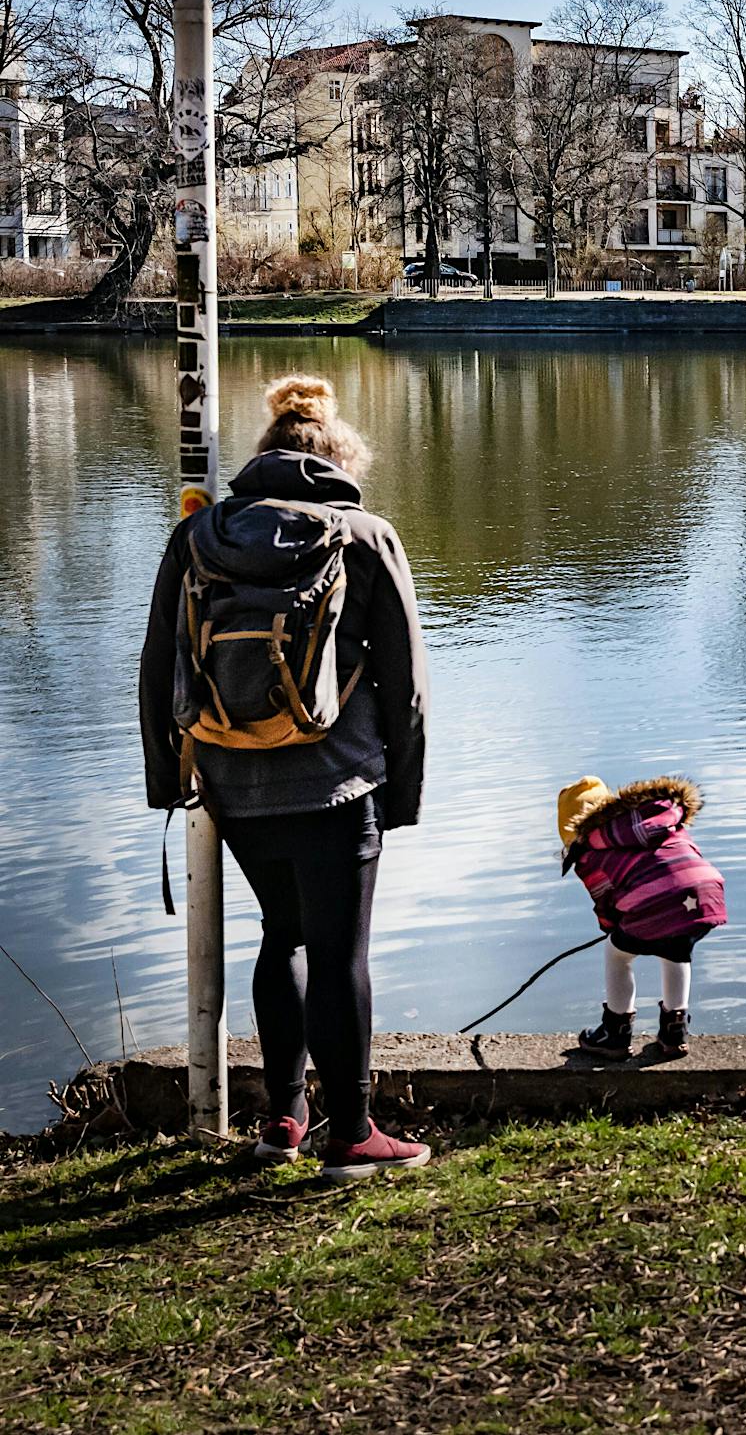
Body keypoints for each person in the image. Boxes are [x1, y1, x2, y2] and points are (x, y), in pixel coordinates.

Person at [140, 375, 431, 1181]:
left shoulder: (197, 538)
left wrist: (170, 781)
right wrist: (399, 797)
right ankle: (355, 1134)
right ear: (340, 457)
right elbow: (404, 687)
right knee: (340, 953)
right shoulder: (364, 536)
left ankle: (284, 1120)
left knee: (283, 936)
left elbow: (160, 664)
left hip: (232, 780)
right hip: (338, 785)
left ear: (263, 456)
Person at [558, 774, 727, 1061]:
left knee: (617, 954)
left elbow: (605, 902)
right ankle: (675, 1032)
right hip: (704, 892)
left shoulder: (590, 851)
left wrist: (612, 928)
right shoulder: (655, 820)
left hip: (657, 900)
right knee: (676, 951)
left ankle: (615, 1032)